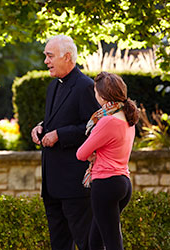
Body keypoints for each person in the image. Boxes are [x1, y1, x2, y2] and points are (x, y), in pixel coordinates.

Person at [31, 35, 100, 250]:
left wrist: (60, 134)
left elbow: (94, 129)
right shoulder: (53, 86)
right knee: (59, 245)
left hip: (75, 184)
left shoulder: (86, 86)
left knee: (87, 244)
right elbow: (61, 118)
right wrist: (41, 127)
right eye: (46, 56)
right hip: (52, 184)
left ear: (67, 57)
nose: (46, 61)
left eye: (50, 56)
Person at [76, 72, 139, 250]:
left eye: (96, 92)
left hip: (106, 184)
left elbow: (81, 153)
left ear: (102, 95)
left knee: (112, 243)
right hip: (123, 183)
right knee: (95, 242)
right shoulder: (128, 119)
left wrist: (92, 153)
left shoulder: (107, 121)